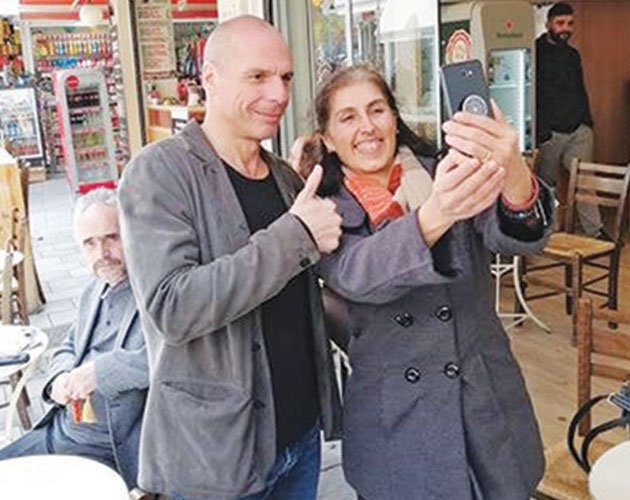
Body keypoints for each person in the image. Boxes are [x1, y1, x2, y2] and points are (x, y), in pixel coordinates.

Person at [295, 64, 554, 500]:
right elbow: (358, 275)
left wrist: (512, 170)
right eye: (348, 117)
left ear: (395, 118)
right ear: (328, 138)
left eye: (377, 110)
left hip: (483, 404)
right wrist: (438, 213)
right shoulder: (322, 208)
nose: (367, 127)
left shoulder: (447, 171)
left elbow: (515, 237)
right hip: (396, 425)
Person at [118, 16, 343, 500]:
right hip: (216, 458)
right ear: (211, 79)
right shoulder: (159, 173)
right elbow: (172, 307)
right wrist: (296, 235)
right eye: (257, 76)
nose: (278, 94)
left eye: (285, 77)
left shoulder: (285, 177)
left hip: (300, 437)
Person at [0, 188, 148, 489]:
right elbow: (68, 345)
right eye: (89, 243)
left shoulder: (154, 293)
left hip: (107, 451)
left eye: (111, 238)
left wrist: (98, 373)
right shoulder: (93, 289)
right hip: (59, 431)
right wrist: (58, 379)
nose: (102, 254)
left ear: (131, 234)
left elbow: (166, 358)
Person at [536, 1, 602, 236]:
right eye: (560, 23)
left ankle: (594, 231)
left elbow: (580, 90)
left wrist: (587, 123)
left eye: (570, 23)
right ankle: (550, 232)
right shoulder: (536, 52)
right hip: (550, 132)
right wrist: (541, 132)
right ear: (548, 24)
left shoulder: (573, 55)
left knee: (585, 182)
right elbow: (533, 93)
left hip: (578, 130)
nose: (566, 28)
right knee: (546, 185)